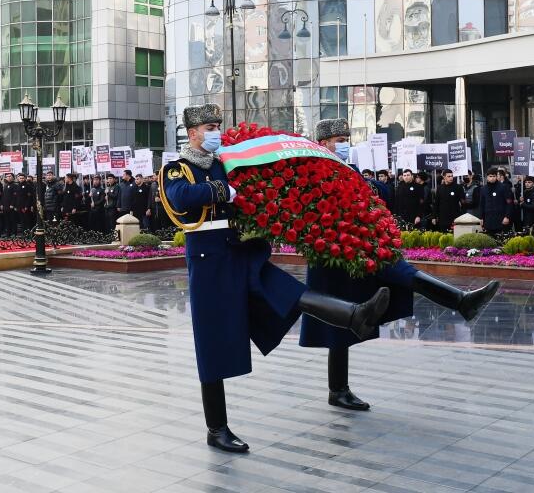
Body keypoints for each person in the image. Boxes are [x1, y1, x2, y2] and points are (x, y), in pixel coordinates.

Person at [160, 105, 392, 454]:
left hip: (240, 250)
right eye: (209, 127)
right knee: (213, 342)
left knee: (289, 291)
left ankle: (355, 315)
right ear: (192, 132)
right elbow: (180, 199)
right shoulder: (177, 169)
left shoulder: (224, 162)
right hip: (208, 259)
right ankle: (217, 428)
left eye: (217, 126)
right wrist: (223, 191)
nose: (215, 133)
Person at [300, 119, 500, 413]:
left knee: (400, 271)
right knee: (340, 321)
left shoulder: (350, 170)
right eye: (338, 139)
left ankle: (461, 301)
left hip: (363, 246)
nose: (344, 143)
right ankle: (338, 389)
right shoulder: (313, 171)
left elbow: (375, 194)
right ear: (323, 143)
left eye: (346, 138)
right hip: (333, 251)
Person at [479, 168, 514, 233]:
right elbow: (482, 204)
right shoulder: (483, 189)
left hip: (501, 219)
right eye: (490, 176)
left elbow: (509, 203)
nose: (492, 178)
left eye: (494, 176)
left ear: (496, 177)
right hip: (488, 220)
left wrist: (507, 216)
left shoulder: (503, 187)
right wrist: (481, 217)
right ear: (487, 177)